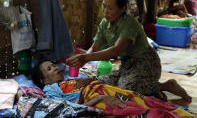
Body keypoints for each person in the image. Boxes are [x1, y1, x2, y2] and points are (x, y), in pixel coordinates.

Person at [66, 0, 192, 103]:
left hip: (146, 63)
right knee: (102, 81)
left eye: (110, 8)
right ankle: (149, 87)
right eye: (104, 6)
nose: (105, 11)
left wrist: (85, 58)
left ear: (123, 8)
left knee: (124, 90)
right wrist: (82, 62)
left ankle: (165, 85)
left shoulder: (129, 23)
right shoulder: (105, 23)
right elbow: (95, 47)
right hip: (127, 65)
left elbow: (116, 50)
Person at [30, 60, 193, 117]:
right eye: (49, 69)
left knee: (141, 99)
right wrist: (99, 98)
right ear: (43, 79)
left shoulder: (68, 80)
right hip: (95, 98)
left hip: (103, 89)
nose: (56, 68)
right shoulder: (50, 90)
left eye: (53, 65)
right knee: (137, 110)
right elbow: (67, 111)